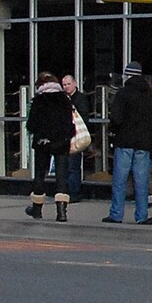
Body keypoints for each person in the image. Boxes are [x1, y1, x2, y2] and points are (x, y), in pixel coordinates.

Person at [105, 60, 152, 224]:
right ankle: (141, 216)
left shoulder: (123, 93)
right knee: (141, 183)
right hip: (143, 144)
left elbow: (116, 117)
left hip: (125, 141)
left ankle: (116, 214)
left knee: (120, 181)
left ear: (127, 75)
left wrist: (114, 129)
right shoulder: (149, 95)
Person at [24, 73, 75, 221]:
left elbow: (31, 125)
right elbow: (69, 122)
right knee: (61, 176)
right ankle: (61, 212)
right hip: (61, 142)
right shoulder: (64, 99)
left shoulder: (39, 100)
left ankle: (37, 210)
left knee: (40, 174)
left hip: (43, 143)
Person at [61, 75, 93, 200]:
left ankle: (74, 192)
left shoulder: (80, 98)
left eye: (68, 84)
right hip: (65, 137)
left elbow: (84, 117)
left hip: (75, 136)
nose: (66, 87)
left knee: (73, 166)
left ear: (74, 84)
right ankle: (66, 191)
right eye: (64, 85)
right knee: (65, 166)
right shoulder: (64, 98)